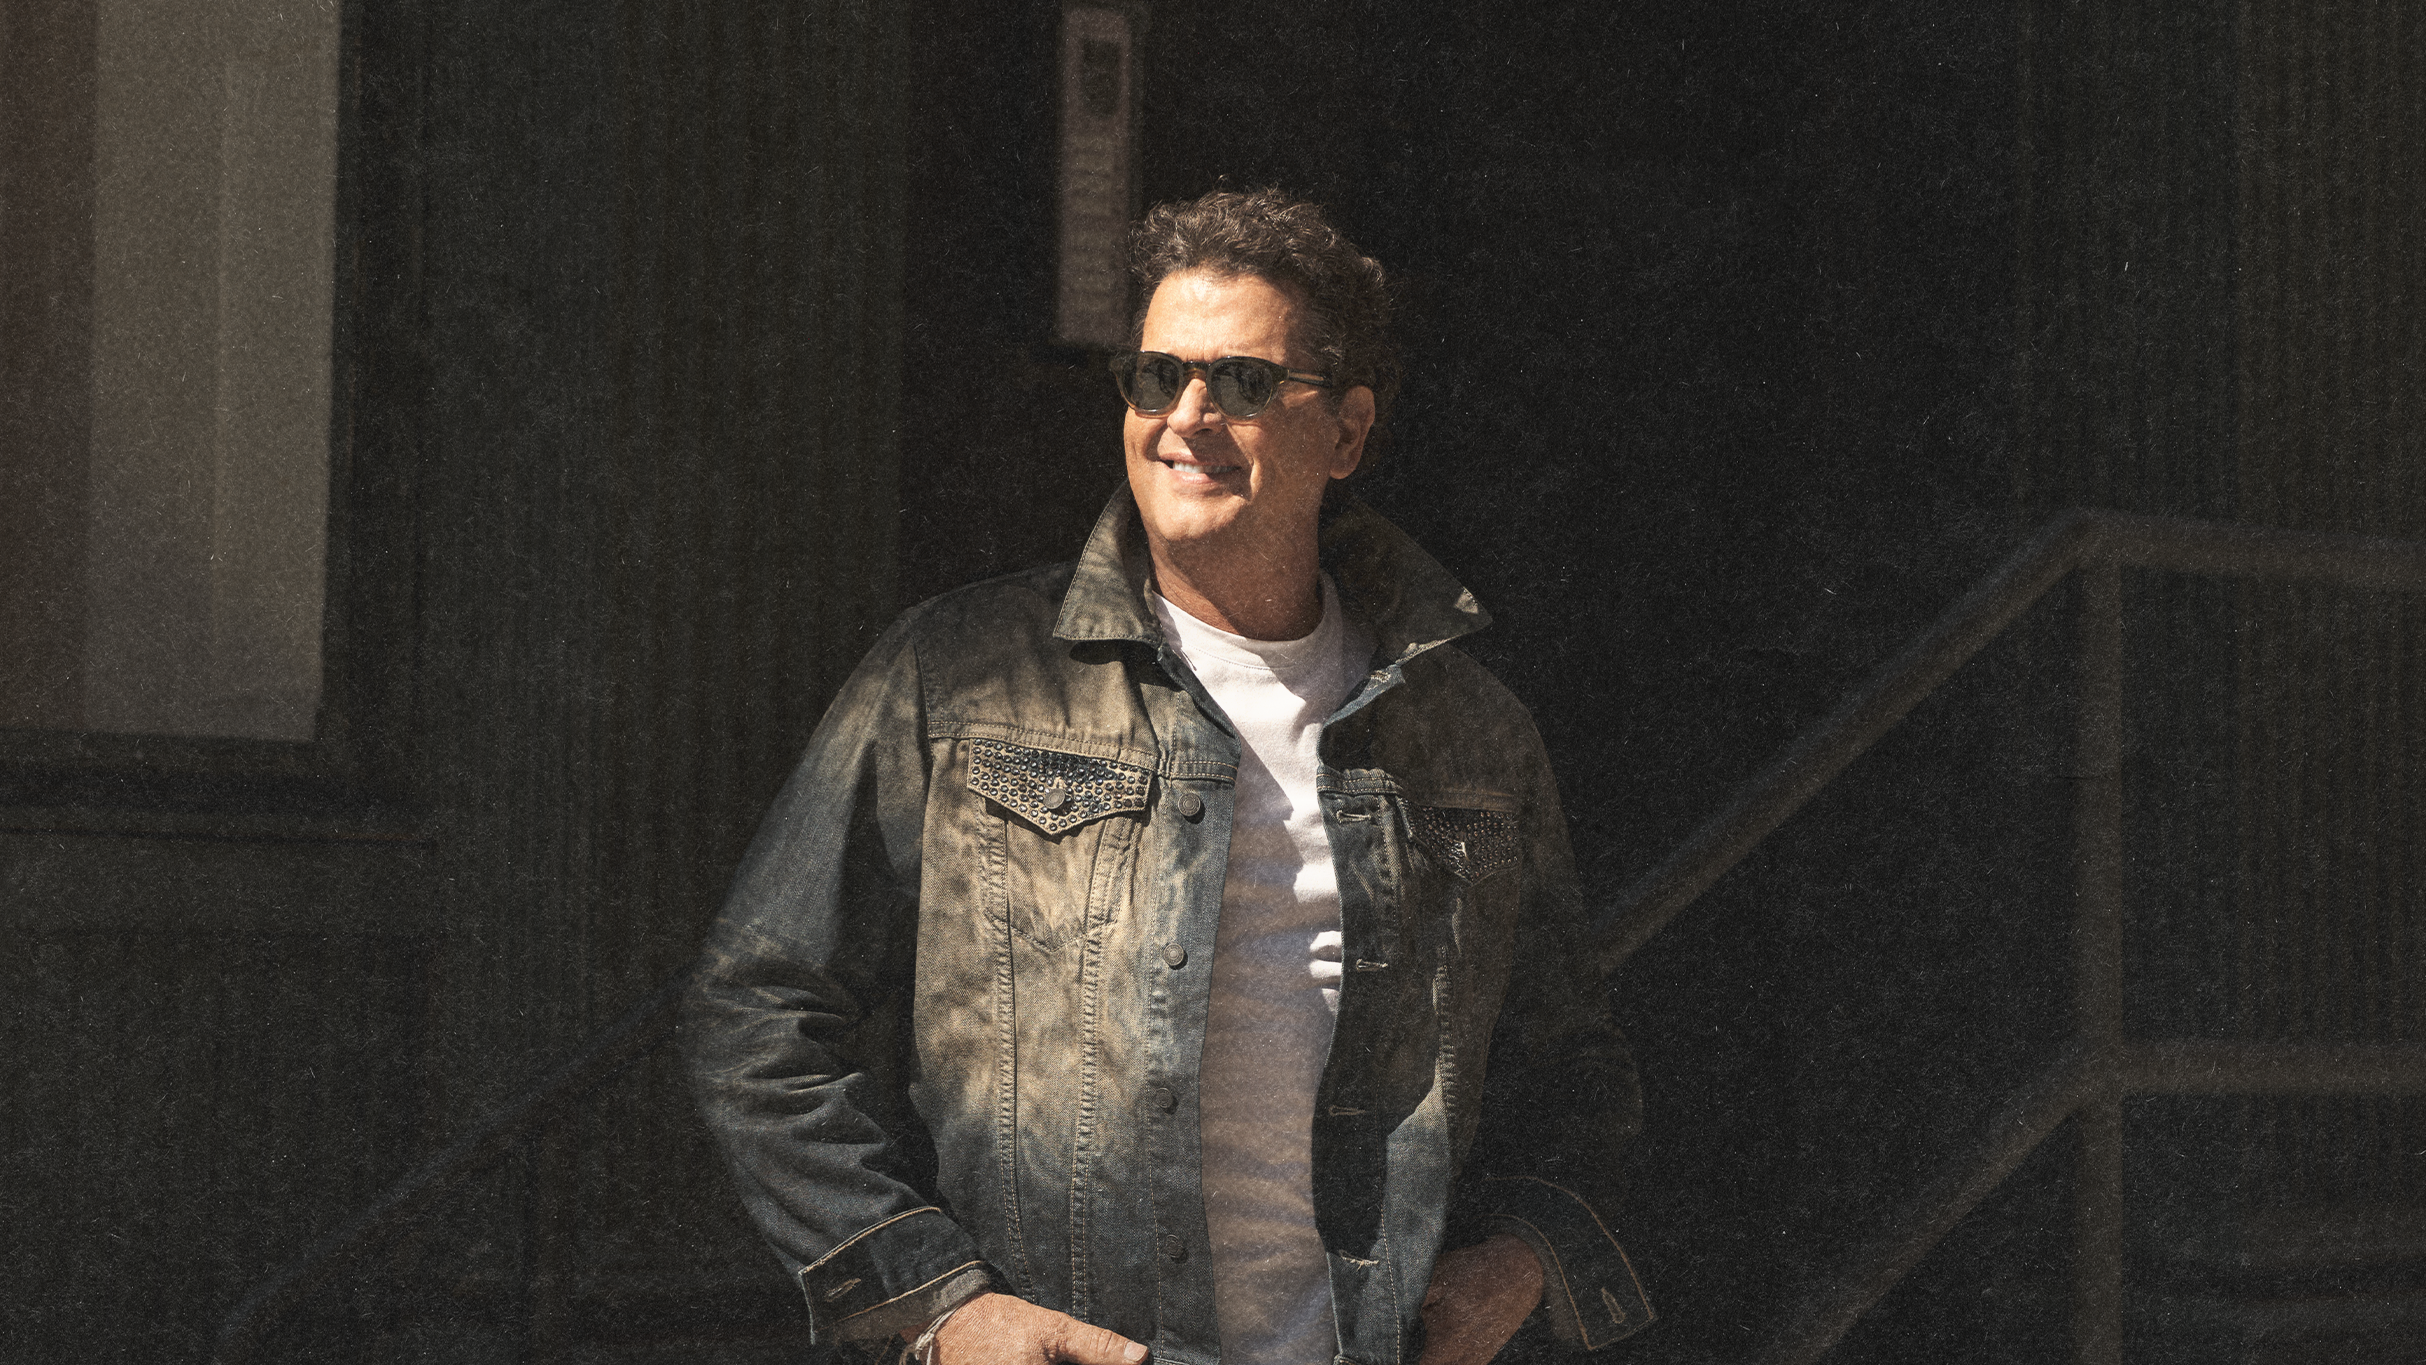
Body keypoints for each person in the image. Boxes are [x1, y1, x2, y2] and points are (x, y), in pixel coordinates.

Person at [683, 188, 1651, 1365]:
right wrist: (938, 1303)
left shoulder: (1468, 731)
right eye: (1154, 378)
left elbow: (1570, 1069)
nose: (1185, 418)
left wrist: (1523, 1259)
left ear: (1347, 432)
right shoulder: (958, 675)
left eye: (1242, 382)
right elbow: (760, 1008)